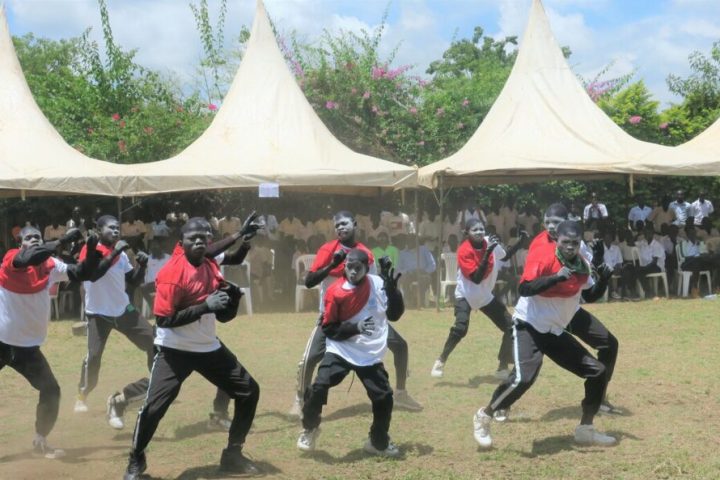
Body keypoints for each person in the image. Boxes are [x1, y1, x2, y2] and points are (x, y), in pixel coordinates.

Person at [123, 218, 260, 479]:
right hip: (174, 349)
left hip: (207, 347)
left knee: (249, 391)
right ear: (181, 244)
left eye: (204, 237)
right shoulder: (172, 273)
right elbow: (164, 320)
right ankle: (135, 461)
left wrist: (230, 302)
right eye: (192, 238)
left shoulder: (209, 262)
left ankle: (232, 454)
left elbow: (222, 311)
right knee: (153, 408)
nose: (199, 241)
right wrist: (205, 306)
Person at [473, 220, 616, 449]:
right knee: (523, 379)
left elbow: (589, 296)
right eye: (565, 242)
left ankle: (585, 429)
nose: (570, 247)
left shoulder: (582, 265)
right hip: (529, 326)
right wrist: (556, 277)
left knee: (598, 372)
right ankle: (484, 415)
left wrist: (605, 280)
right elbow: (525, 288)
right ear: (557, 241)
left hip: (554, 331)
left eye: (575, 243)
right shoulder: (545, 257)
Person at [289, 211, 422, 417]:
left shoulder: (366, 253)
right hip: (332, 318)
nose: (340, 228)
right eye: (337, 226)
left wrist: (383, 312)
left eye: (344, 224)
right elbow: (309, 281)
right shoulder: (328, 249)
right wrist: (332, 264)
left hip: (364, 318)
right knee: (310, 358)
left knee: (400, 345)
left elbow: (375, 286)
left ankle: (401, 393)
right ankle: (299, 398)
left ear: (355, 224)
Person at [0, 227, 97, 459]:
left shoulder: (51, 265)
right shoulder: (11, 259)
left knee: (51, 390)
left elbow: (81, 272)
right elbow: (29, 257)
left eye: (37, 237)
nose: (33, 240)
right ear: (19, 243)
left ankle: (40, 440)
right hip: (1, 342)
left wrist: (91, 250)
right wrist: (63, 240)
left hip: (28, 349)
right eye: (28, 238)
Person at [297, 249, 403, 457]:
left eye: (358, 268)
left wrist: (393, 292)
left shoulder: (378, 284)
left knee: (384, 397)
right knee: (319, 387)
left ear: (366, 268)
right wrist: (356, 328)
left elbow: (395, 315)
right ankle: (310, 428)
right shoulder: (335, 291)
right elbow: (328, 329)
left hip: (369, 353)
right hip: (341, 350)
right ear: (344, 266)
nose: (353, 272)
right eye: (349, 267)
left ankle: (377, 441)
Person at [523, 204, 621, 414]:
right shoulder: (540, 245)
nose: (550, 227)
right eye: (547, 222)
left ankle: (600, 396)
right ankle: (502, 403)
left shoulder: (575, 243)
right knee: (528, 365)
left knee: (609, 344)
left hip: (569, 309)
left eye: (556, 223)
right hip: (543, 312)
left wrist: (598, 260)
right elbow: (529, 284)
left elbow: (587, 284)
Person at [73, 215, 154, 431]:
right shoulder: (90, 250)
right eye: (111, 228)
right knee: (94, 356)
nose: (116, 231)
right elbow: (95, 274)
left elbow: (133, 281)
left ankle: (155, 383)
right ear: (99, 230)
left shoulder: (122, 255)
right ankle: (82, 395)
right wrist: (117, 250)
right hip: (98, 315)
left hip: (123, 310)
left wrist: (142, 266)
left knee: (155, 342)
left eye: (118, 228)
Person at [430, 219, 527, 384]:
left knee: (511, 326)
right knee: (461, 328)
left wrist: (520, 242)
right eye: (475, 230)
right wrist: (488, 252)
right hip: (465, 295)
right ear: (467, 233)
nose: (480, 232)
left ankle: (502, 366)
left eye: (481, 229)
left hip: (484, 297)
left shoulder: (489, 243)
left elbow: (505, 255)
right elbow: (476, 278)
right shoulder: (464, 251)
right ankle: (440, 361)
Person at [679, 226, 720, 296]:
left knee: (717, 261)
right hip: (687, 263)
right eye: (691, 233)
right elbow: (683, 257)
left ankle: (717, 287)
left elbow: (704, 254)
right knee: (697, 261)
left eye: (694, 233)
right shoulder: (683, 244)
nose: (693, 235)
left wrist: (709, 253)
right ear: (687, 235)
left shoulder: (700, 243)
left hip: (700, 262)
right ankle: (694, 289)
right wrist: (697, 257)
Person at [632, 225, 666, 298]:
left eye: (649, 233)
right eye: (645, 233)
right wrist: (638, 234)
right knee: (637, 270)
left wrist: (644, 268)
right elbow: (631, 242)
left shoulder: (657, 245)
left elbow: (654, 262)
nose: (647, 235)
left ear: (652, 233)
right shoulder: (643, 242)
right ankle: (649, 291)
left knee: (640, 270)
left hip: (656, 266)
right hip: (646, 266)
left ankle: (649, 292)